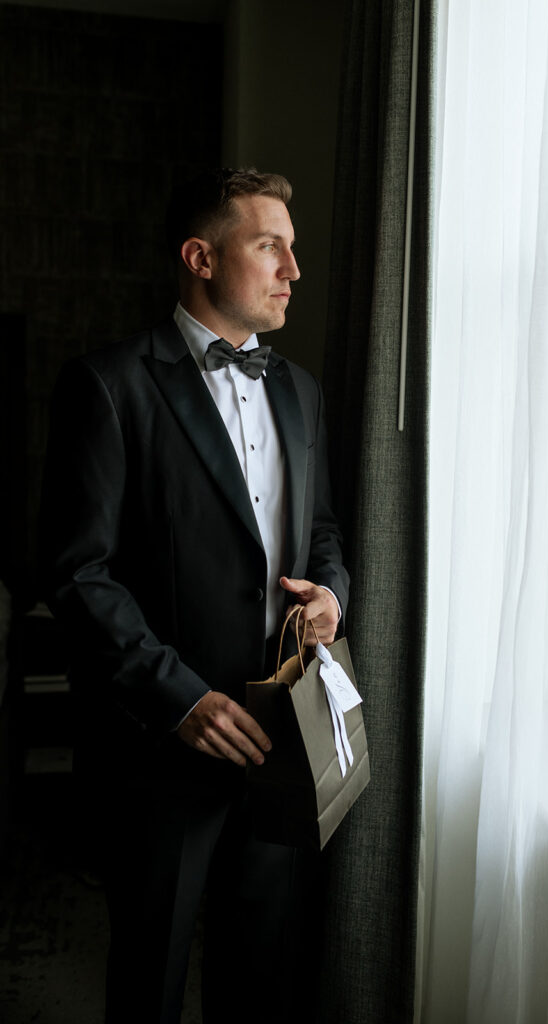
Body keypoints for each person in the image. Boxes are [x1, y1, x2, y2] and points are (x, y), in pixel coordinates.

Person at [40, 167, 349, 1023]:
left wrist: (330, 596)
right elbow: (77, 572)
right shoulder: (108, 385)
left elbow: (320, 530)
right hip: (158, 748)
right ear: (200, 257)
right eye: (270, 246)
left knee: (264, 972)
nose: (294, 269)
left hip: (281, 733)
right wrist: (181, 701)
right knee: (150, 976)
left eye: (293, 249)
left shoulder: (302, 391)